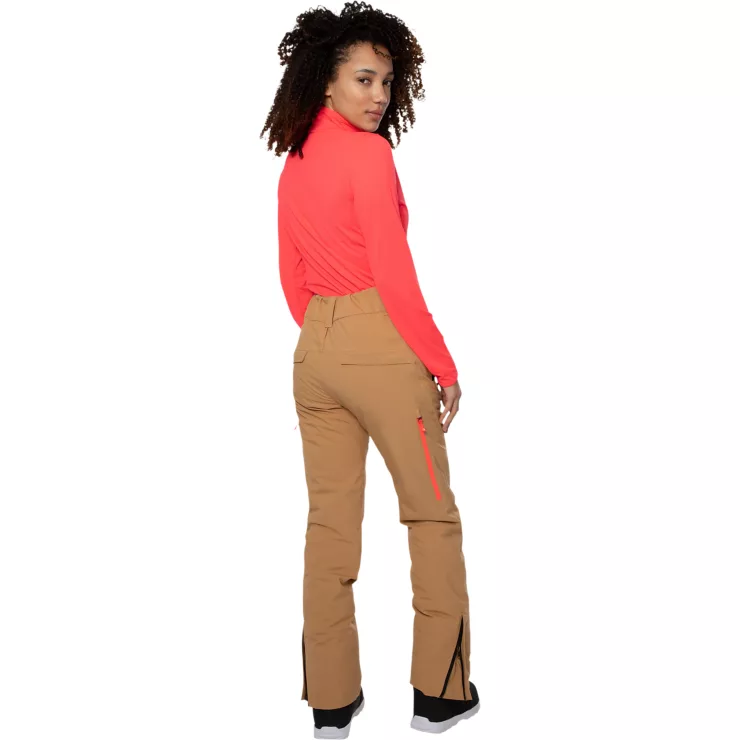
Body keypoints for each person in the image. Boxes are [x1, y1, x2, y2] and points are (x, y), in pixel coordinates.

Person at [260, 2, 480, 736]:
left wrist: (328, 331)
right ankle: (440, 694)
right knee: (431, 514)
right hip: (381, 344)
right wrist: (441, 362)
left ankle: (331, 702)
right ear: (326, 80)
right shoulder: (369, 155)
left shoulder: (295, 158)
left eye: (386, 81)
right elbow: (393, 270)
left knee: (330, 527)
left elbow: (291, 274)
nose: (379, 95)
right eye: (364, 79)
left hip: (314, 350)